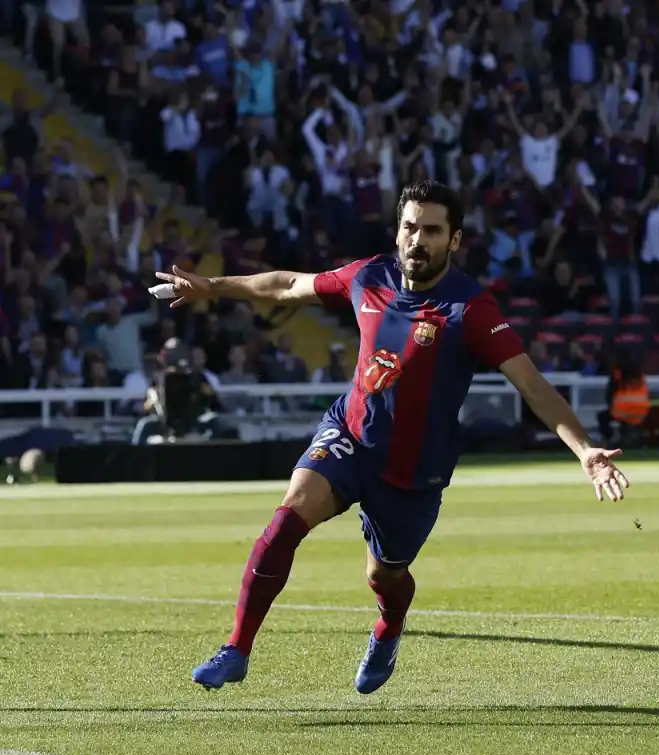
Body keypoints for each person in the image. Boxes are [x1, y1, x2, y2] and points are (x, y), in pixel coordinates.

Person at [151, 181, 630, 694]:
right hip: (351, 436)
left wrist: (586, 452)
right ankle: (237, 648)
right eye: (409, 226)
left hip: (414, 468)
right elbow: (288, 284)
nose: (417, 239)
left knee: (385, 575)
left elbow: (532, 385)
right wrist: (213, 287)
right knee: (288, 517)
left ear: (454, 240)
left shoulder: (471, 310)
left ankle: (389, 627)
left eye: (431, 230)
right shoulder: (370, 275)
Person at [597, 354, 649, 445]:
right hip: (641, 411)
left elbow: (610, 393)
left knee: (602, 417)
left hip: (621, 411)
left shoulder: (618, 375)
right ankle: (630, 437)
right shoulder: (641, 376)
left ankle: (610, 439)